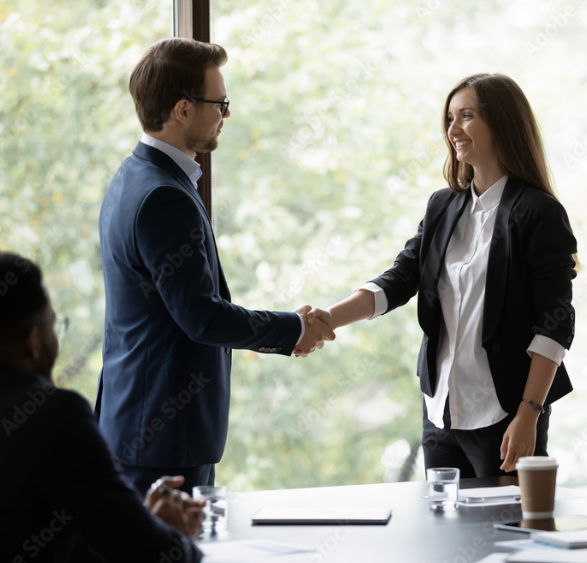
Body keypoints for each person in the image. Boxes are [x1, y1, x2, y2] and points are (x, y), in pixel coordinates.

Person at [305, 73, 577, 477]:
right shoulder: (443, 206)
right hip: (441, 410)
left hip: (505, 415)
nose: (453, 130)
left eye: (466, 116)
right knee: (445, 530)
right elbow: (398, 280)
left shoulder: (538, 212)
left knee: (507, 533)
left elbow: (554, 326)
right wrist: (327, 318)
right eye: (449, 118)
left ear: (502, 122)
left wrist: (529, 413)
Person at [96, 38, 335, 496]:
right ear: (183, 110)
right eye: (220, 103)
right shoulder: (165, 196)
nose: (227, 115)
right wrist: (293, 329)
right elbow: (201, 317)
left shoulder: (132, 177)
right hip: (164, 438)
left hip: (138, 424)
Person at [0, 252, 204, 563]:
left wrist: (141, 519)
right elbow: (162, 555)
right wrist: (168, 530)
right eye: (53, 327)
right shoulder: (54, 416)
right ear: (33, 341)